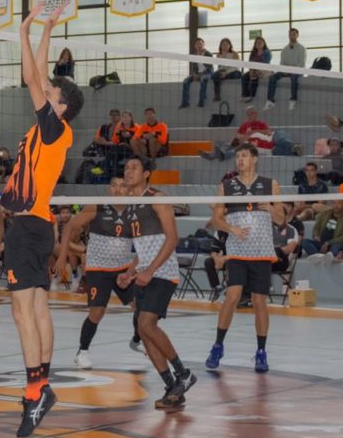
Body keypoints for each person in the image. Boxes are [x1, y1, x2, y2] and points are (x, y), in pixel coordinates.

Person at [0, 0, 83, 438]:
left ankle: (35, 393)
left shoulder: (54, 129)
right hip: (36, 225)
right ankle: (42, 387)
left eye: (52, 95)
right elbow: (41, 77)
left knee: (22, 313)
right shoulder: (49, 130)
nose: (44, 92)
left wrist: (25, 30)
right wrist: (47, 29)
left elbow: (33, 77)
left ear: (61, 107)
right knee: (37, 309)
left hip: (29, 226)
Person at [121, 157, 196, 408]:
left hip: (163, 273)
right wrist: (130, 271)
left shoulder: (157, 197)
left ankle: (183, 374)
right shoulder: (130, 205)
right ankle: (172, 387)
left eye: (134, 167)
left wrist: (151, 270)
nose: (128, 171)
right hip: (144, 273)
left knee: (146, 323)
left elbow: (172, 238)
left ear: (146, 174)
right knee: (144, 332)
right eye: (126, 167)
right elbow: (143, 247)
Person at [205, 143, 283, 373]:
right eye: (238, 156)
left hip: (261, 251)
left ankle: (261, 352)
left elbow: (281, 219)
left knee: (259, 301)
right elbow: (216, 220)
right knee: (232, 296)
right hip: (237, 250)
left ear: (254, 159)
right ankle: (217, 346)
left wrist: (271, 208)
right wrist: (232, 229)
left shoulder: (270, 184)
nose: (240, 160)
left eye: (245, 156)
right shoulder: (226, 186)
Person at [57, 177, 135, 370]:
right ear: (109, 189)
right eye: (114, 185)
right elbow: (69, 227)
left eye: (122, 186)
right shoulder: (97, 207)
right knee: (97, 312)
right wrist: (62, 256)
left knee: (142, 308)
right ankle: (82, 351)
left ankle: (137, 340)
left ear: (129, 190)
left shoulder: (134, 210)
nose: (118, 189)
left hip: (123, 269)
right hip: (98, 269)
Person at [199, 105, 271, 160]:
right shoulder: (245, 125)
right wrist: (244, 136)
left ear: (256, 114)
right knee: (233, 142)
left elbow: (268, 132)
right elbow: (237, 135)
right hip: (243, 142)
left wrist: (254, 131)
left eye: (251, 113)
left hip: (254, 145)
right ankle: (216, 154)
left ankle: (217, 155)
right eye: (248, 114)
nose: (249, 116)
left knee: (239, 148)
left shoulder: (261, 124)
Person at [265, 28, 306, 111]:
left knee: (294, 77)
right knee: (272, 77)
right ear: (288, 36)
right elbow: (282, 64)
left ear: (297, 35)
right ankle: (270, 100)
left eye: (294, 34)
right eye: (290, 34)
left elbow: (301, 64)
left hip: (297, 71)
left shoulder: (302, 49)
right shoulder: (284, 50)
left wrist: (291, 70)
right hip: (286, 71)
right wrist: (285, 70)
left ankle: (293, 100)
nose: (292, 36)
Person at [180, 37, 212, 108]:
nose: (199, 45)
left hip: (207, 73)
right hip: (197, 74)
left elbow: (209, 68)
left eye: (200, 44)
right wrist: (194, 74)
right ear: (195, 46)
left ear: (203, 44)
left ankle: (201, 101)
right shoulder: (194, 55)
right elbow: (194, 68)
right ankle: (185, 102)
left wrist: (200, 75)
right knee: (185, 81)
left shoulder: (208, 54)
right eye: (197, 44)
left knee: (203, 79)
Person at [240, 36, 271, 103]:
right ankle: (245, 95)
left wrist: (255, 69)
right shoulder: (253, 53)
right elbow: (250, 63)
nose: (258, 44)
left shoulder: (267, 52)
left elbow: (265, 62)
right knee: (244, 76)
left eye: (260, 42)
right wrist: (251, 70)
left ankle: (252, 95)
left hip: (264, 70)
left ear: (264, 43)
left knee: (254, 75)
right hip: (253, 70)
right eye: (257, 43)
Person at [211, 37, 241, 103]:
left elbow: (235, 67)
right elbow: (220, 67)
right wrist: (221, 72)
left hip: (234, 71)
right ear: (220, 46)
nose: (225, 46)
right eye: (223, 44)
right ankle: (217, 95)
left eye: (227, 44)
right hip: (223, 71)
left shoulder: (234, 54)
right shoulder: (219, 54)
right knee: (214, 76)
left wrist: (226, 73)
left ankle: (223, 77)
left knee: (236, 74)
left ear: (230, 45)